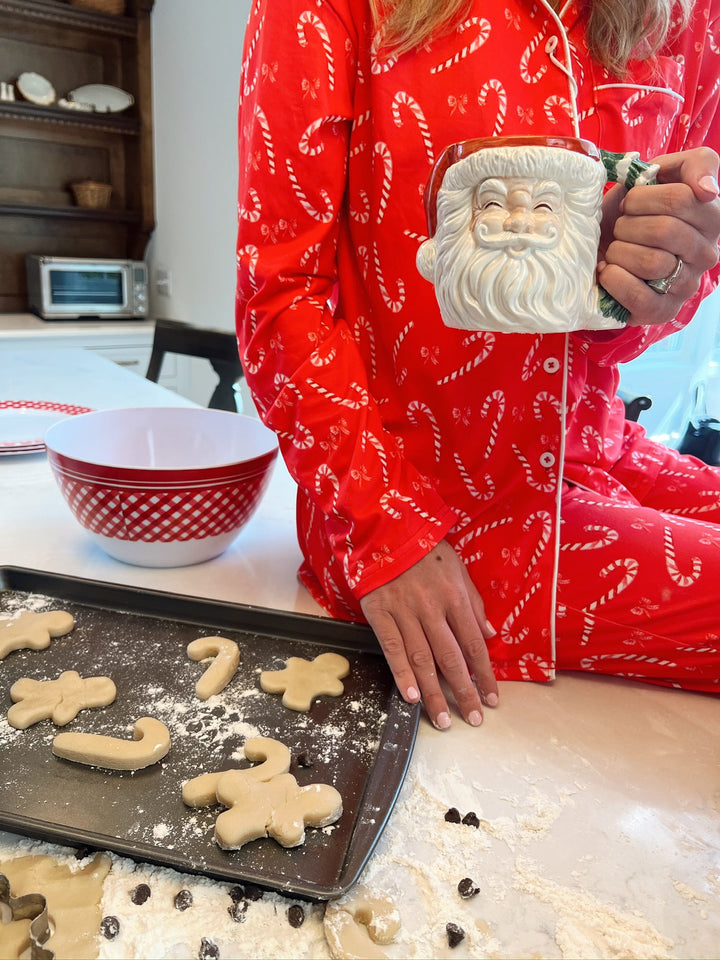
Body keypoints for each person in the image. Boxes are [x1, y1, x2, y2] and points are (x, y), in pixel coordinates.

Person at [235, 0, 720, 731]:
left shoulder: (690, 16)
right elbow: (280, 294)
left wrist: (638, 287)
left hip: (598, 447)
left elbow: (619, 337)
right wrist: (385, 529)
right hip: (425, 505)